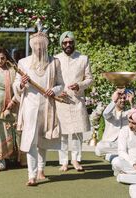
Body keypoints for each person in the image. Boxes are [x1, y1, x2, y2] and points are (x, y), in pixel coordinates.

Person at [13, 26, 64, 186]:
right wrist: (21, 84)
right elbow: (16, 85)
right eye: (35, 44)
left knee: (43, 138)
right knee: (31, 140)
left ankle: (41, 169)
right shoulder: (23, 63)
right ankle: (32, 175)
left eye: (41, 44)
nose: (38, 47)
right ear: (31, 45)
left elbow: (61, 84)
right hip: (30, 106)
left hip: (47, 105)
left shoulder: (55, 62)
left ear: (46, 45)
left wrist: (54, 90)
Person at [54, 31, 93, 171]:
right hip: (61, 100)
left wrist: (79, 85)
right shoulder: (55, 59)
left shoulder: (83, 58)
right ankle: (64, 161)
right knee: (63, 134)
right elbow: (52, 80)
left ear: (74, 43)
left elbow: (89, 79)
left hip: (77, 99)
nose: (68, 45)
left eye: (70, 42)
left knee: (77, 132)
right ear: (61, 45)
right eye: (65, 43)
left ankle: (76, 160)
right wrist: (58, 91)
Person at [95, 88, 134, 162]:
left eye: (124, 98)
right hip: (110, 144)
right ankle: (123, 152)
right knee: (100, 147)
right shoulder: (110, 113)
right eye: (120, 98)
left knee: (112, 156)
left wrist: (132, 103)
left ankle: (121, 153)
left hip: (123, 144)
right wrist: (114, 100)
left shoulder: (128, 113)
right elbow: (105, 114)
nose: (122, 100)